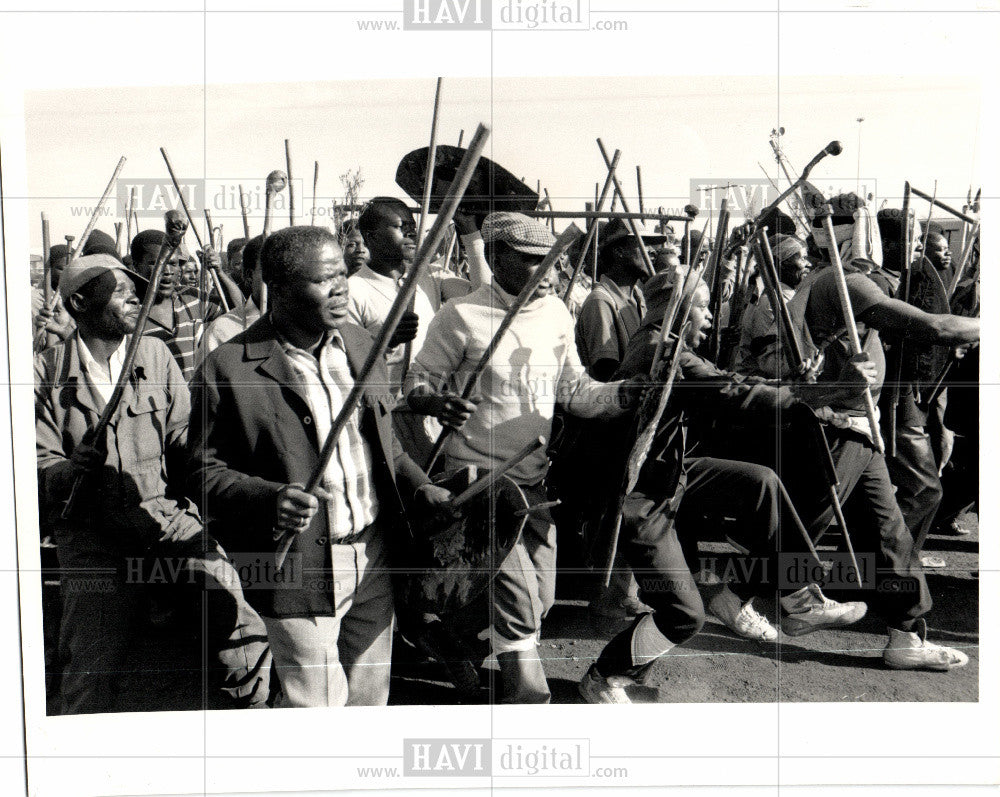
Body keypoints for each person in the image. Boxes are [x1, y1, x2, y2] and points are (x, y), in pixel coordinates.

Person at [188, 225, 453, 708]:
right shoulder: (230, 366)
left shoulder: (360, 344)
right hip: (293, 564)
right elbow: (203, 473)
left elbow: (383, 445)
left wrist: (420, 485)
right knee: (316, 707)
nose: (340, 288)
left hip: (372, 553)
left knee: (369, 702)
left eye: (342, 275)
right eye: (323, 279)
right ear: (281, 290)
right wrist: (269, 497)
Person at [405, 212, 646, 703]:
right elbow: (416, 381)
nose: (550, 273)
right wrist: (434, 401)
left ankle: (445, 635)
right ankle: (528, 699)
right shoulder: (462, 316)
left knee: (542, 600)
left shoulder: (557, 312)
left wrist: (626, 393)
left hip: (534, 484)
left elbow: (576, 392)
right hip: (478, 483)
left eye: (554, 263)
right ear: (495, 259)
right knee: (516, 604)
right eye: (534, 262)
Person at [35, 253, 270, 714]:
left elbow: (184, 435)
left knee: (236, 619)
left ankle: (253, 717)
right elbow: (36, 462)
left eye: (134, 289)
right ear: (80, 301)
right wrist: (69, 467)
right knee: (91, 657)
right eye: (121, 289)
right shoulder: (46, 371)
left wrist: (227, 470)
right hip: (92, 536)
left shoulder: (154, 354)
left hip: (165, 517)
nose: (134, 298)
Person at [754, 230, 980, 670]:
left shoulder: (846, 280)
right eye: (912, 248)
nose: (915, 262)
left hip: (857, 429)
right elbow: (933, 326)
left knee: (888, 532)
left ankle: (906, 636)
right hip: (832, 428)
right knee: (806, 526)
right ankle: (733, 597)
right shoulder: (847, 282)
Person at [348, 198, 479, 462]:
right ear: (371, 237)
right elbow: (348, 363)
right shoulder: (353, 290)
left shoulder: (430, 276)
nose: (411, 233)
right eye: (401, 227)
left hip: (433, 410)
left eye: (413, 226)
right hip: (383, 416)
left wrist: (470, 233)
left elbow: (483, 294)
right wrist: (386, 341)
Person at [130, 229, 224, 380]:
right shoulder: (129, 313)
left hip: (194, 399)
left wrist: (219, 271)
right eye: (156, 263)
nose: (167, 271)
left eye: (173, 263)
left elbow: (242, 312)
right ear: (135, 267)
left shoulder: (192, 298)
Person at [734, 233, 809, 374]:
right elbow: (770, 364)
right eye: (803, 258)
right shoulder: (770, 303)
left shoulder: (787, 296)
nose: (808, 264)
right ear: (782, 264)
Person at [201, 235, 263, 355]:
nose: (242, 268)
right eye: (238, 263)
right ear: (229, 264)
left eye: (246, 263)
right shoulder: (221, 286)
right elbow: (241, 306)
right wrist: (218, 271)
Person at [32, 243, 75, 350]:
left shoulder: (77, 297)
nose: (67, 273)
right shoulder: (34, 300)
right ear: (49, 269)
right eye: (61, 269)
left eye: (72, 268)